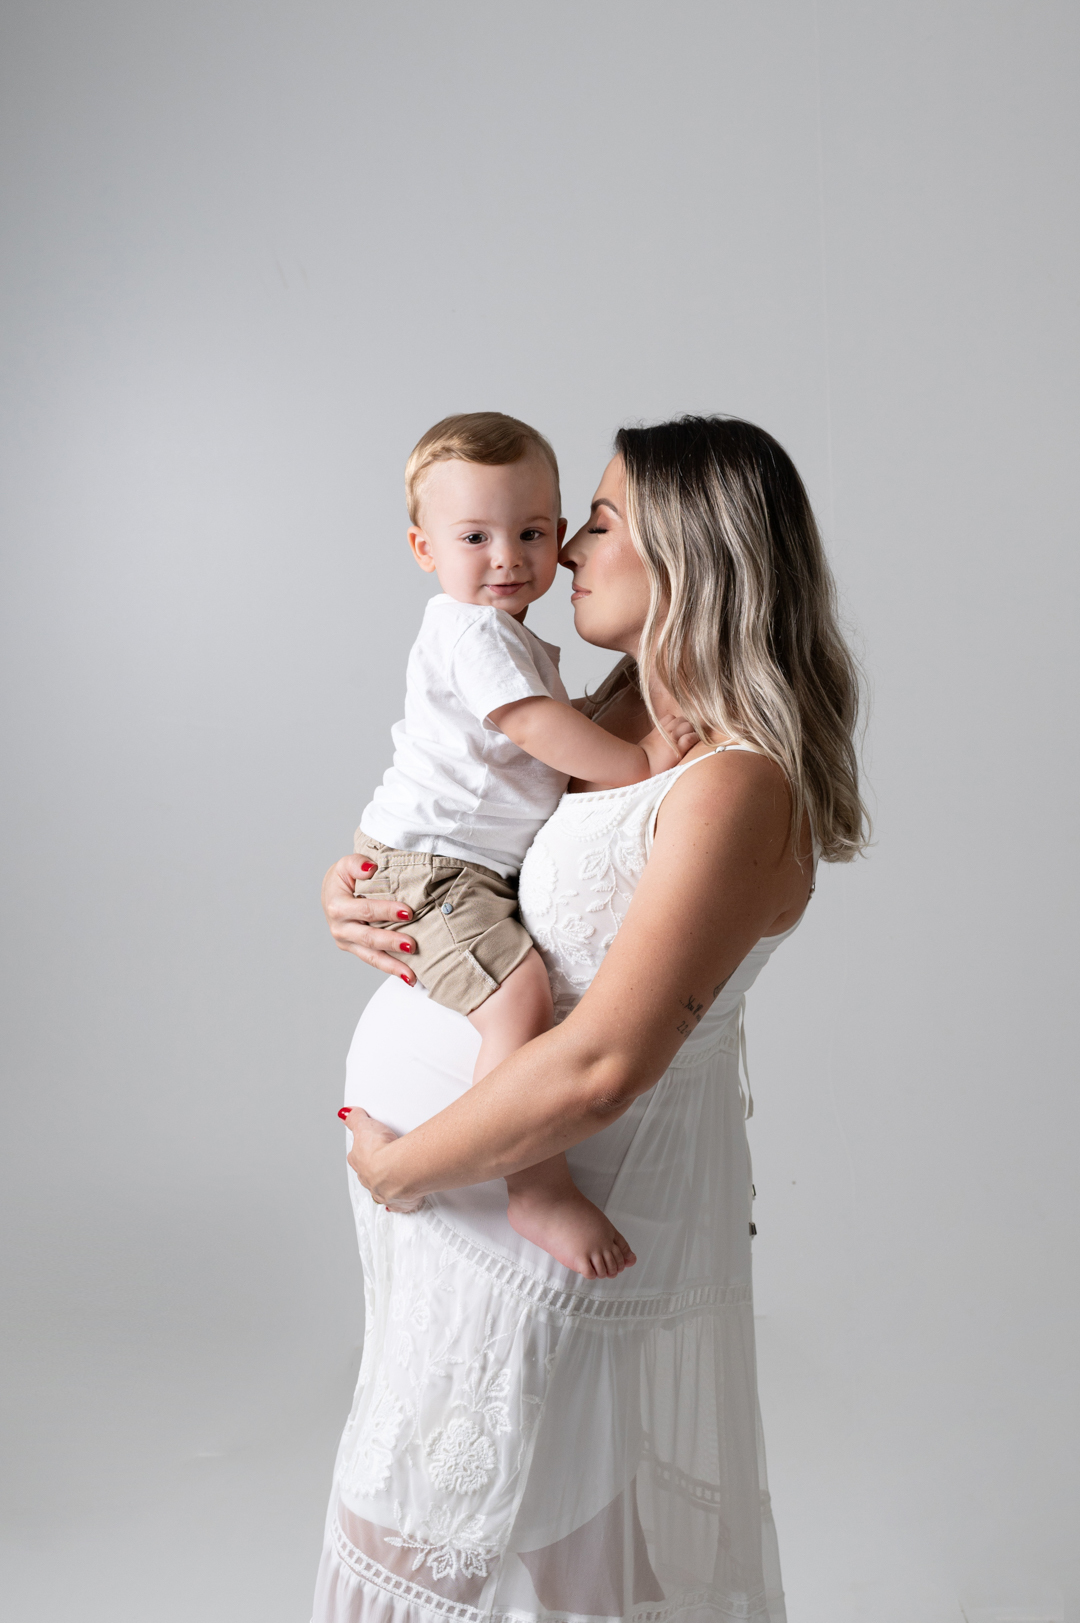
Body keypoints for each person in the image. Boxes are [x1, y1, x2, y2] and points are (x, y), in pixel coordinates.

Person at [315, 415, 868, 1623]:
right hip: (472, 1204)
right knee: (571, 1554)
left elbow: (603, 1064)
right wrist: (358, 888)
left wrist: (407, 1166)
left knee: (427, 1535)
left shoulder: (736, 783)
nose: (564, 551)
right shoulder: (615, 706)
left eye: (599, 523)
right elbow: (477, 849)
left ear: (692, 554)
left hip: (531, 1207)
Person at [351, 412, 696, 1278]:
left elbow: (532, 738)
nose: (510, 557)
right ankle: (534, 1186)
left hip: (443, 863)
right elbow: (535, 729)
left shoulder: (504, 639)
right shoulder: (471, 633)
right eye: (476, 537)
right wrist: (641, 760)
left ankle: (520, 1178)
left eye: (533, 532)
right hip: (436, 868)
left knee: (516, 997)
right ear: (423, 548)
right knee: (517, 1002)